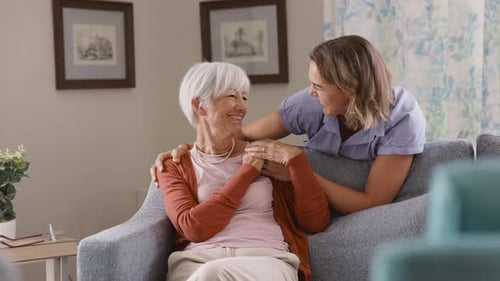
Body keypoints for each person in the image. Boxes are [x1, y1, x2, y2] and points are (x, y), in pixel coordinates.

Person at [153, 34, 426, 215]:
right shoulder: (310, 104)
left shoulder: (403, 117)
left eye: (319, 86)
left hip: (361, 212)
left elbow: (372, 203)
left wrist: (300, 172)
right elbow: (241, 136)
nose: (310, 92)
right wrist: (190, 150)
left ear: (349, 89)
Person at [157, 61, 329, 281]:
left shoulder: (267, 155)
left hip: (266, 261)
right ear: (199, 105)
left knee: (211, 275)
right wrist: (246, 174)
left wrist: (297, 162)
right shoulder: (174, 165)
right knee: (208, 274)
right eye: (231, 96)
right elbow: (193, 228)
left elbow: (316, 222)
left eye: (244, 97)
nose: (242, 106)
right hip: (197, 263)